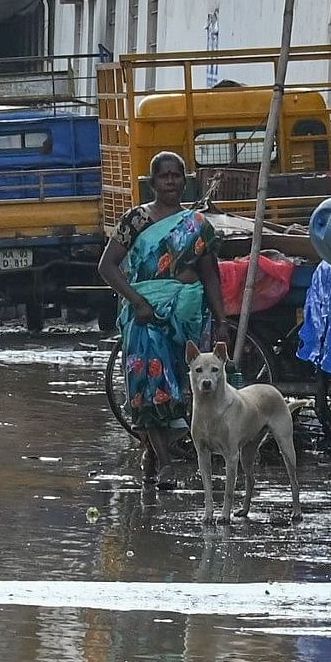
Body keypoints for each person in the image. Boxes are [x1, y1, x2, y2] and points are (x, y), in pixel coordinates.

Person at [97, 150, 213, 488]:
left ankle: (153, 450)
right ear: (152, 182)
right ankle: (166, 464)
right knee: (149, 384)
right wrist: (137, 301)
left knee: (180, 385)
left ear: (185, 180)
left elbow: (210, 273)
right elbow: (107, 266)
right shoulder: (136, 220)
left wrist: (220, 318)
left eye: (177, 175)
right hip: (144, 317)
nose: (171, 182)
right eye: (165, 176)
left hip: (186, 316)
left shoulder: (196, 225)